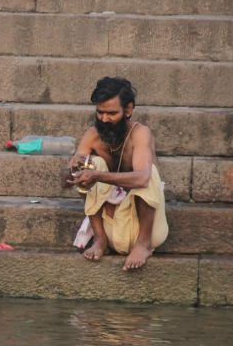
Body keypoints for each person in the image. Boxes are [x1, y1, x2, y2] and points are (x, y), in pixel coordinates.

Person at [63, 77, 168, 271]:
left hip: (147, 231)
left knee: (149, 172)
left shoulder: (140, 133)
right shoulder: (93, 135)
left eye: (112, 113)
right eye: (100, 112)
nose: (104, 119)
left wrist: (98, 177)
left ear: (128, 110)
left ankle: (142, 245)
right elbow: (65, 183)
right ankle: (100, 239)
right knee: (94, 163)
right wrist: (74, 169)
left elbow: (142, 179)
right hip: (112, 229)